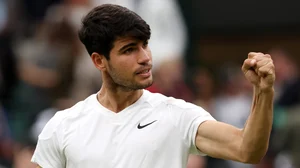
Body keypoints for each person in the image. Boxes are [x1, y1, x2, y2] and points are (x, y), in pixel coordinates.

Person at [31, 4, 275, 168]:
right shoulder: (62, 126)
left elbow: (247, 150)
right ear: (99, 61)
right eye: (129, 50)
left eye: (145, 45)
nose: (145, 57)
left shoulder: (178, 115)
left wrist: (263, 92)